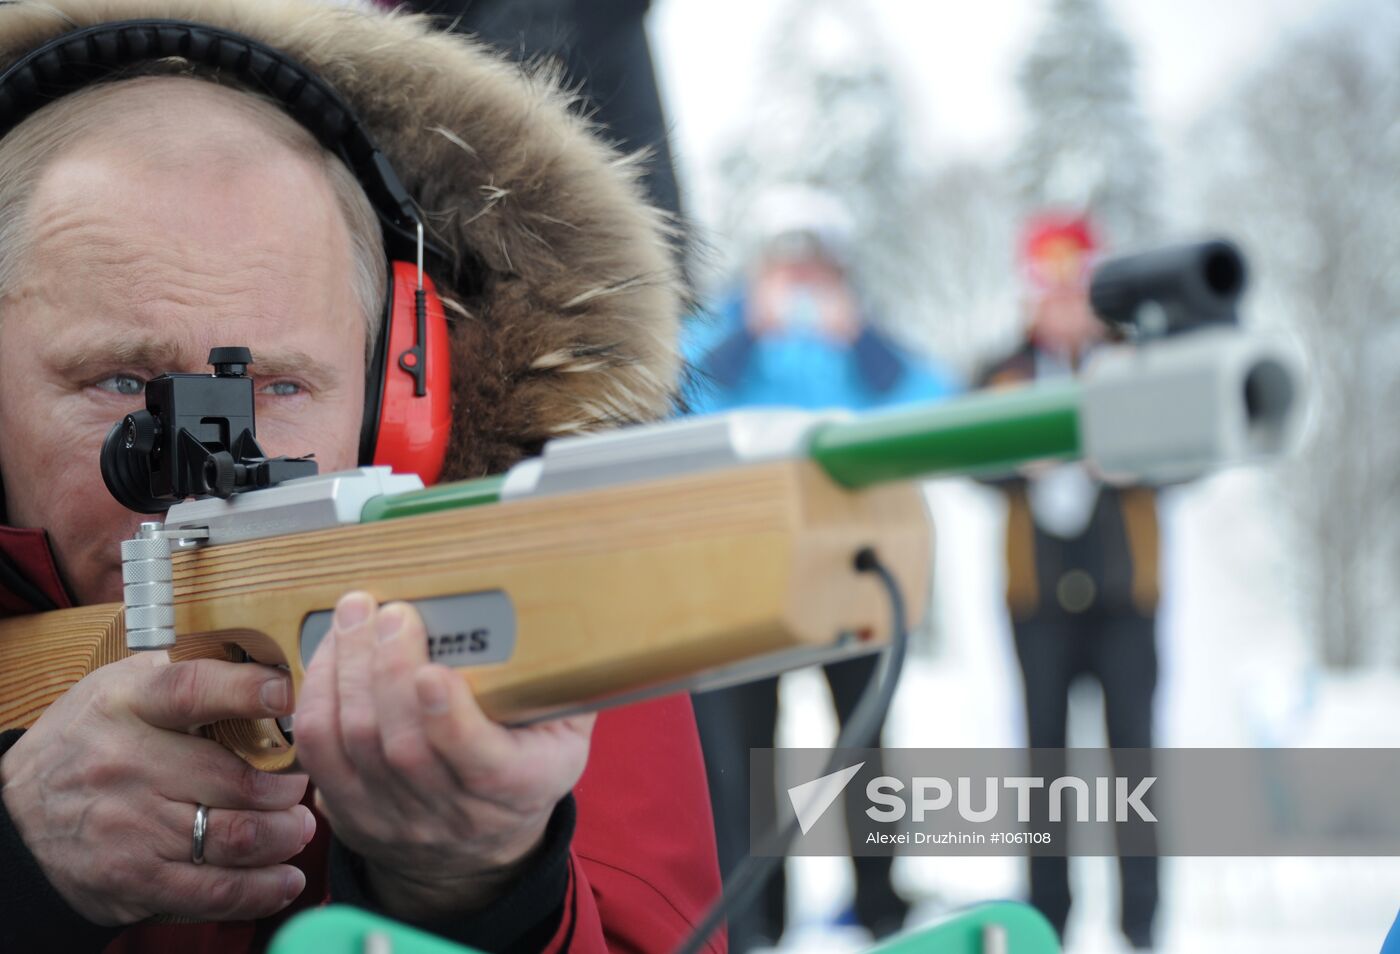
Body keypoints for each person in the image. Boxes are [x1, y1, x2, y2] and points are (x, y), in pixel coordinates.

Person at [0, 1, 721, 951]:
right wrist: (19, 865)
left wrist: (483, 886)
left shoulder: (542, 591)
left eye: (277, 387)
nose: (200, 474)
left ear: (399, 406)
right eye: (122, 383)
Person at [685, 184, 954, 949]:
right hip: (745, 573)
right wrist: (747, 338)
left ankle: (881, 904)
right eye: (787, 263)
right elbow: (671, 398)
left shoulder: (859, 344)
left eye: (815, 265)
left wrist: (861, 341)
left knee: (865, 741)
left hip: (852, 570)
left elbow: (935, 403)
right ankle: (758, 917)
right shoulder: (724, 334)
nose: (800, 280)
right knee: (746, 752)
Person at [977, 213, 1159, 951]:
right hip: (1039, 601)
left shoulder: (1140, 367)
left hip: (1124, 596)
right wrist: (1021, 462)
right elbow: (968, 458)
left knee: (1134, 766)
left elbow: (1189, 454)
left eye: (1074, 289)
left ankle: (1142, 925)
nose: (1061, 305)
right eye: (1047, 291)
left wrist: (1134, 460)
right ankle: (1048, 923)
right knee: (1044, 768)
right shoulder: (1003, 373)